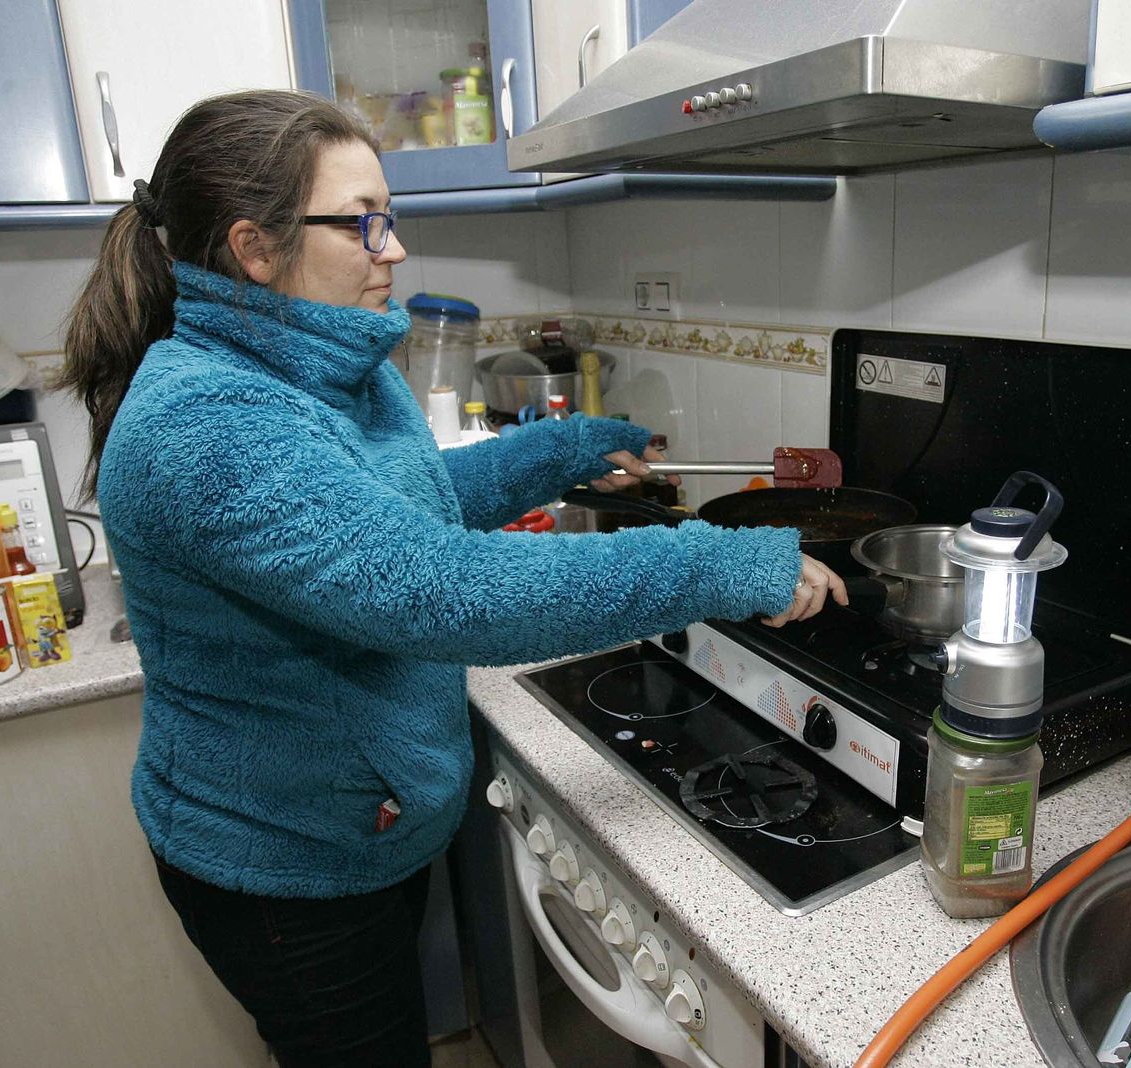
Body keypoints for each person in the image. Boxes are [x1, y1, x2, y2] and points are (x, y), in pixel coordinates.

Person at [57, 89, 845, 1068]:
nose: (391, 250)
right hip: (286, 869)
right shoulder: (208, 423)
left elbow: (407, 505)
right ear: (254, 248)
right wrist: (720, 563)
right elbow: (441, 587)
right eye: (362, 224)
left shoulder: (330, 357)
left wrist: (559, 450)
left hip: (363, 821)